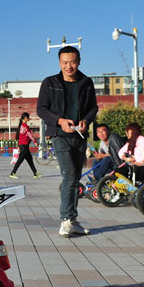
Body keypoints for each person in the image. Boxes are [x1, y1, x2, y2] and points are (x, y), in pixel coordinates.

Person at [37, 45, 98, 238]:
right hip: (59, 136)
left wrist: (86, 121)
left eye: (72, 62)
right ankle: (66, 220)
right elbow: (41, 109)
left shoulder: (86, 82)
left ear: (79, 62)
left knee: (75, 177)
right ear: (59, 63)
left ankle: (72, 220)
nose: (68, 66)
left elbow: (93, 108)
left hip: (79, 136)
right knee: (70, 175)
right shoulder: (50, 83)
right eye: (65, 62)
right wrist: (59, 121)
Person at [9, 112, 41, 179]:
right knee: (20, 160)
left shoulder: (21, 126)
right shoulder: (25, 126)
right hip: (24, 146)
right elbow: (29, 135)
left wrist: (19, 145)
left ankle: (35, 173)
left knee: (30, 159)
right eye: (28, 117)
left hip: (23, 145)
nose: (29, 118)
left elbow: (20, 137)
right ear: (26, 118)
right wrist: (35, 142)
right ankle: (13, 173)